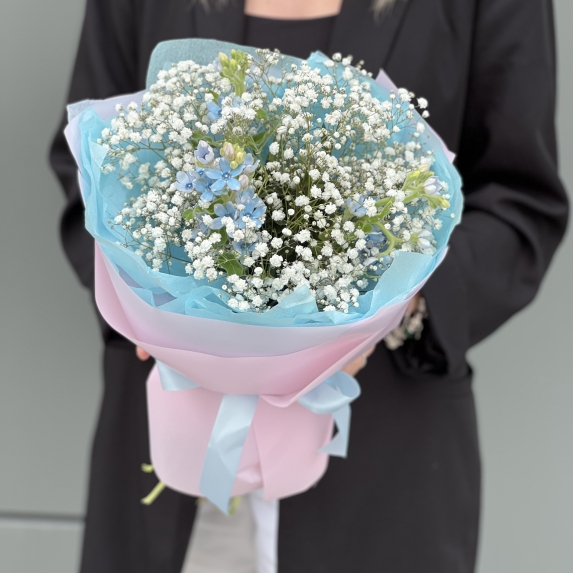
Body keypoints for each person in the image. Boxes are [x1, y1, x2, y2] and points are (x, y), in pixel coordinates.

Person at [49, 0, 569, 571]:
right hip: (169, 449)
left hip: (384, 466)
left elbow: (521, 204)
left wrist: (386, 310)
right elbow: (90, 165)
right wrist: (151, 305)